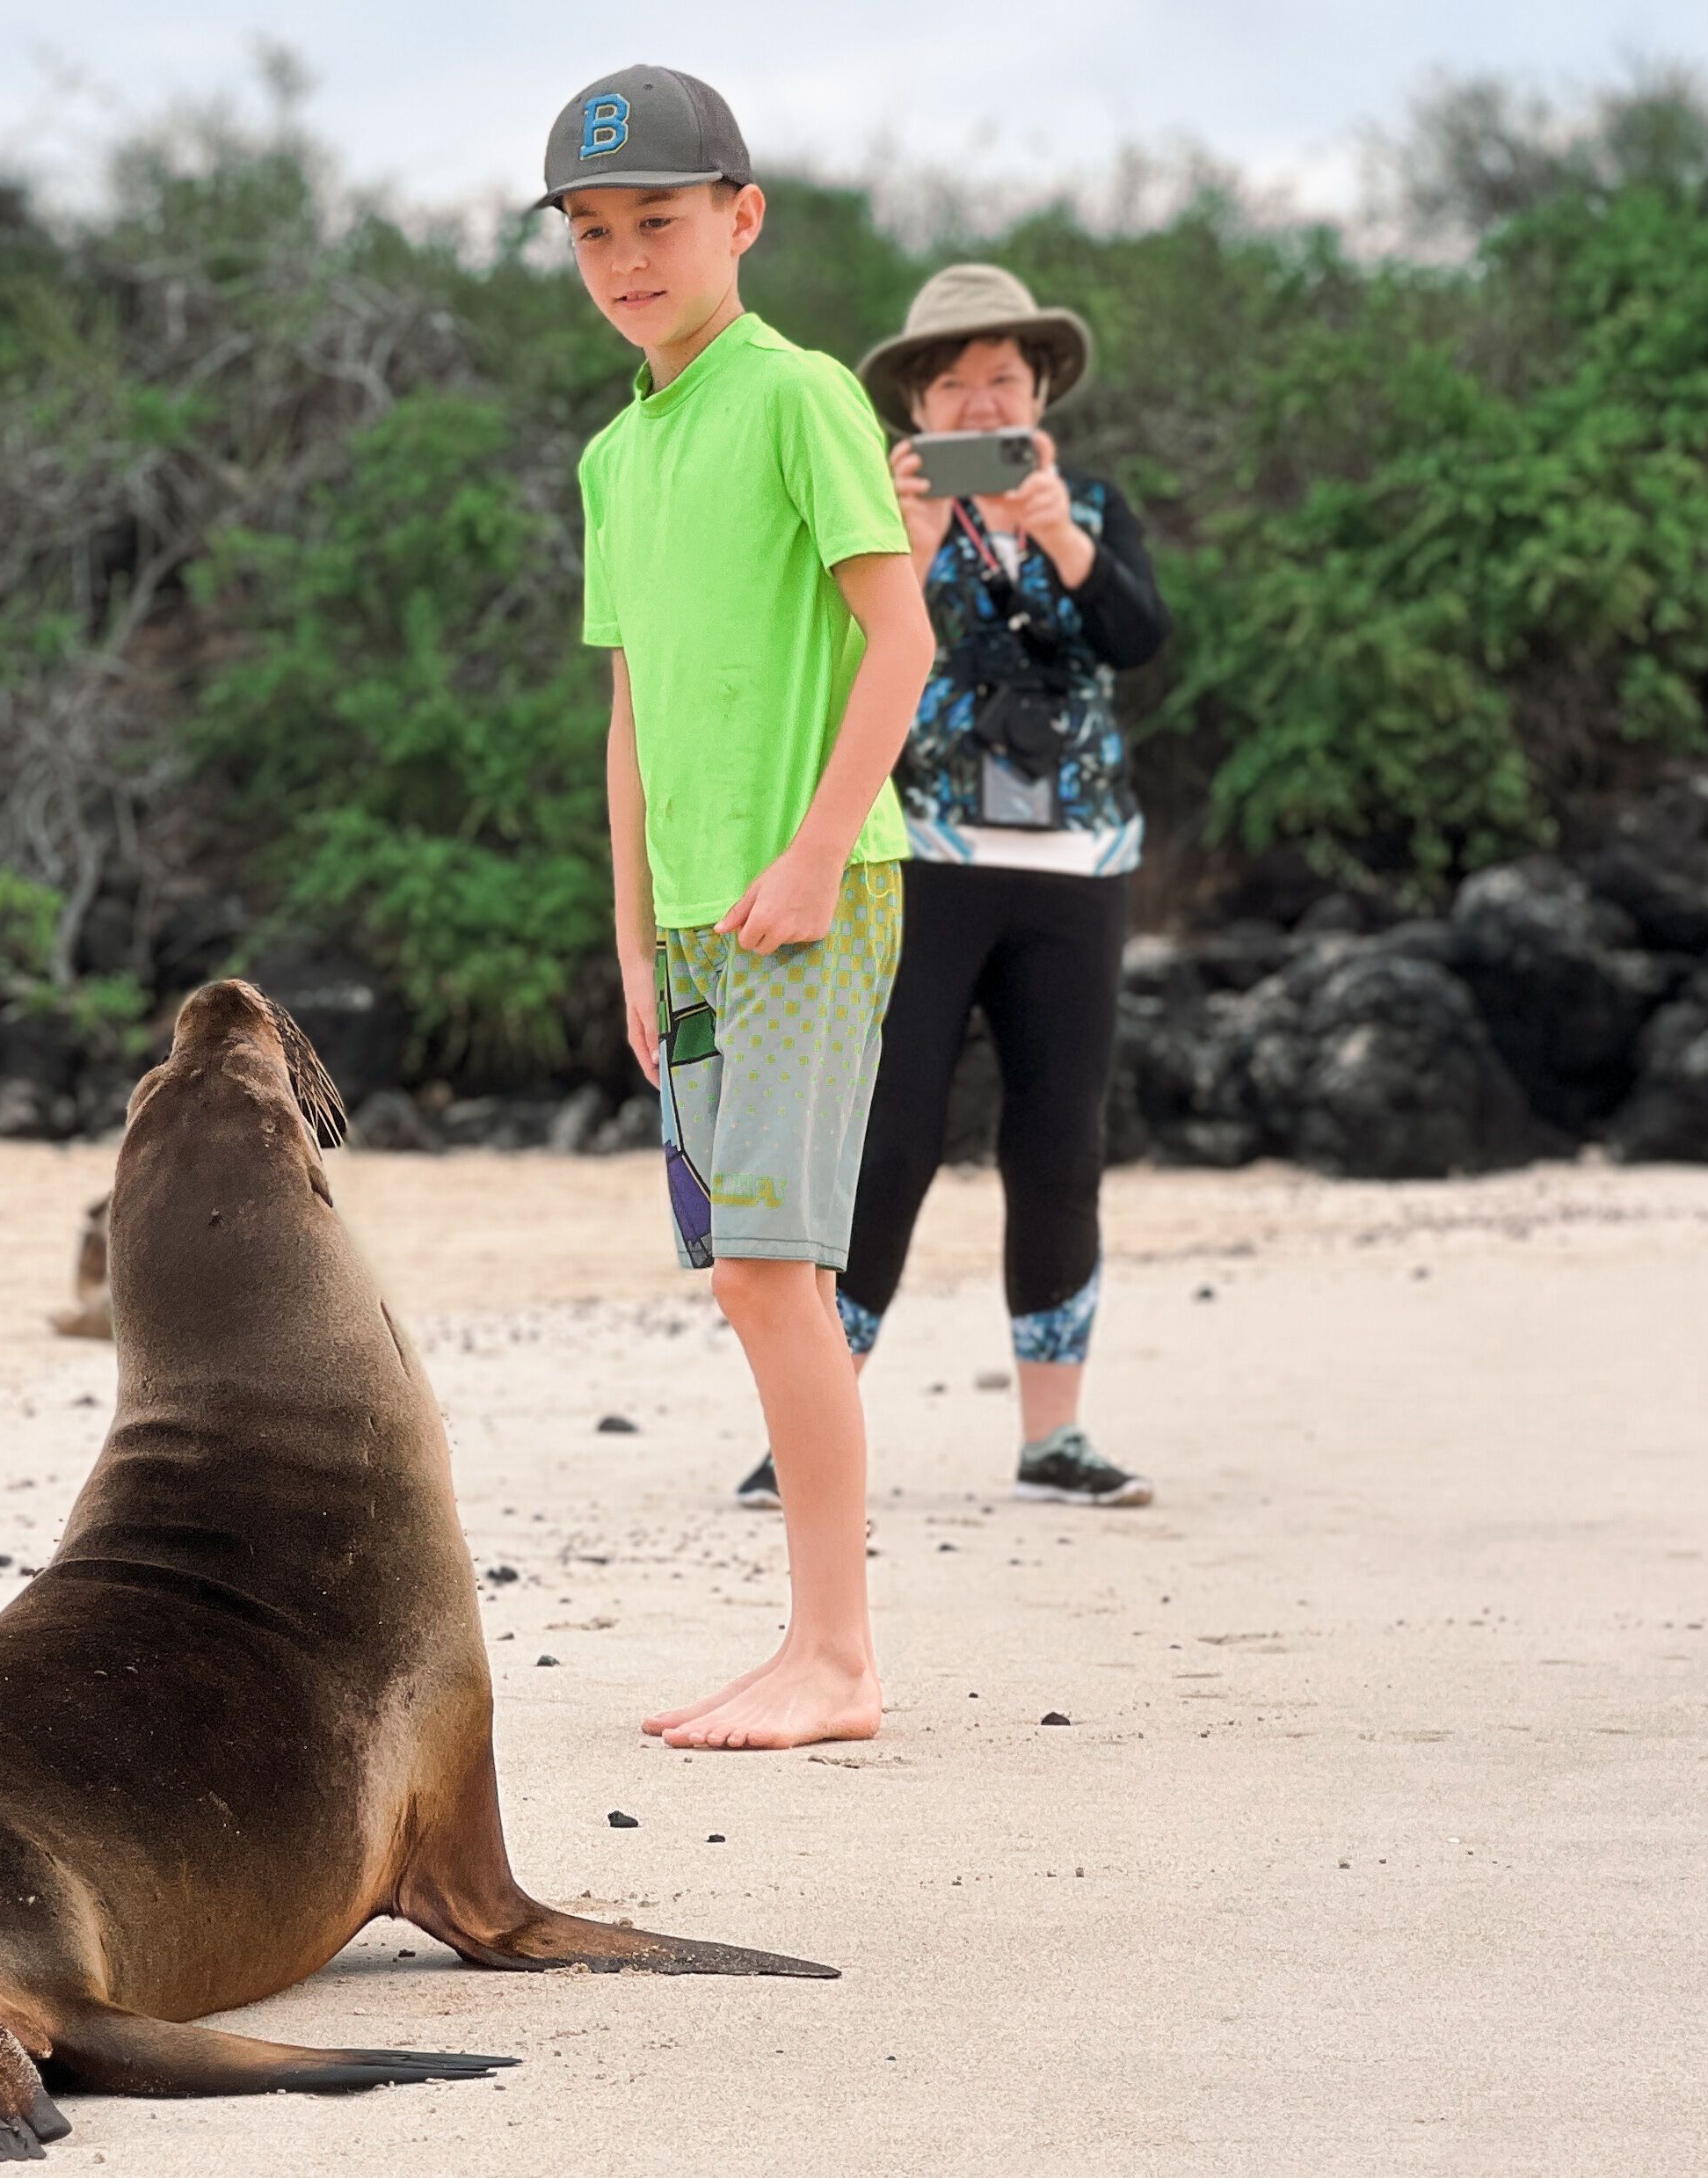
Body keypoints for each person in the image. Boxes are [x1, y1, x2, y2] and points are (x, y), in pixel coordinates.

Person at [545, 66, 932, 1751]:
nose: (628, 258)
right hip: (698, 920)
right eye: (594, 232)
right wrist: (634, 939)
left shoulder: (799, 393)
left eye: (660, 221)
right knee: (745, 1276)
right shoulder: (614, 455)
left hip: (811, 897)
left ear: (741, 217)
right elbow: (631, 716)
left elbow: (902, 639)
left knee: (778, 1269)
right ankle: (813, 1645)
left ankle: (837, 1659)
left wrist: (816, 851)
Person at [749, 265, 1171, 1514]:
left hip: (1079, 865)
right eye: (953, 384)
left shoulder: (1093, 502)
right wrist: (917, 545)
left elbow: (1141, 636)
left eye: (1002, 378)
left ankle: (1056, 1438)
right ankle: (813, 1430)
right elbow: (829, 663)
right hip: (922, 854)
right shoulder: (876, 516)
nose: (980, 400)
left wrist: (1060, 534)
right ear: (918, 408)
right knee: (887, 1142)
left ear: (1038, 393)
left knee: (1060, 1144)